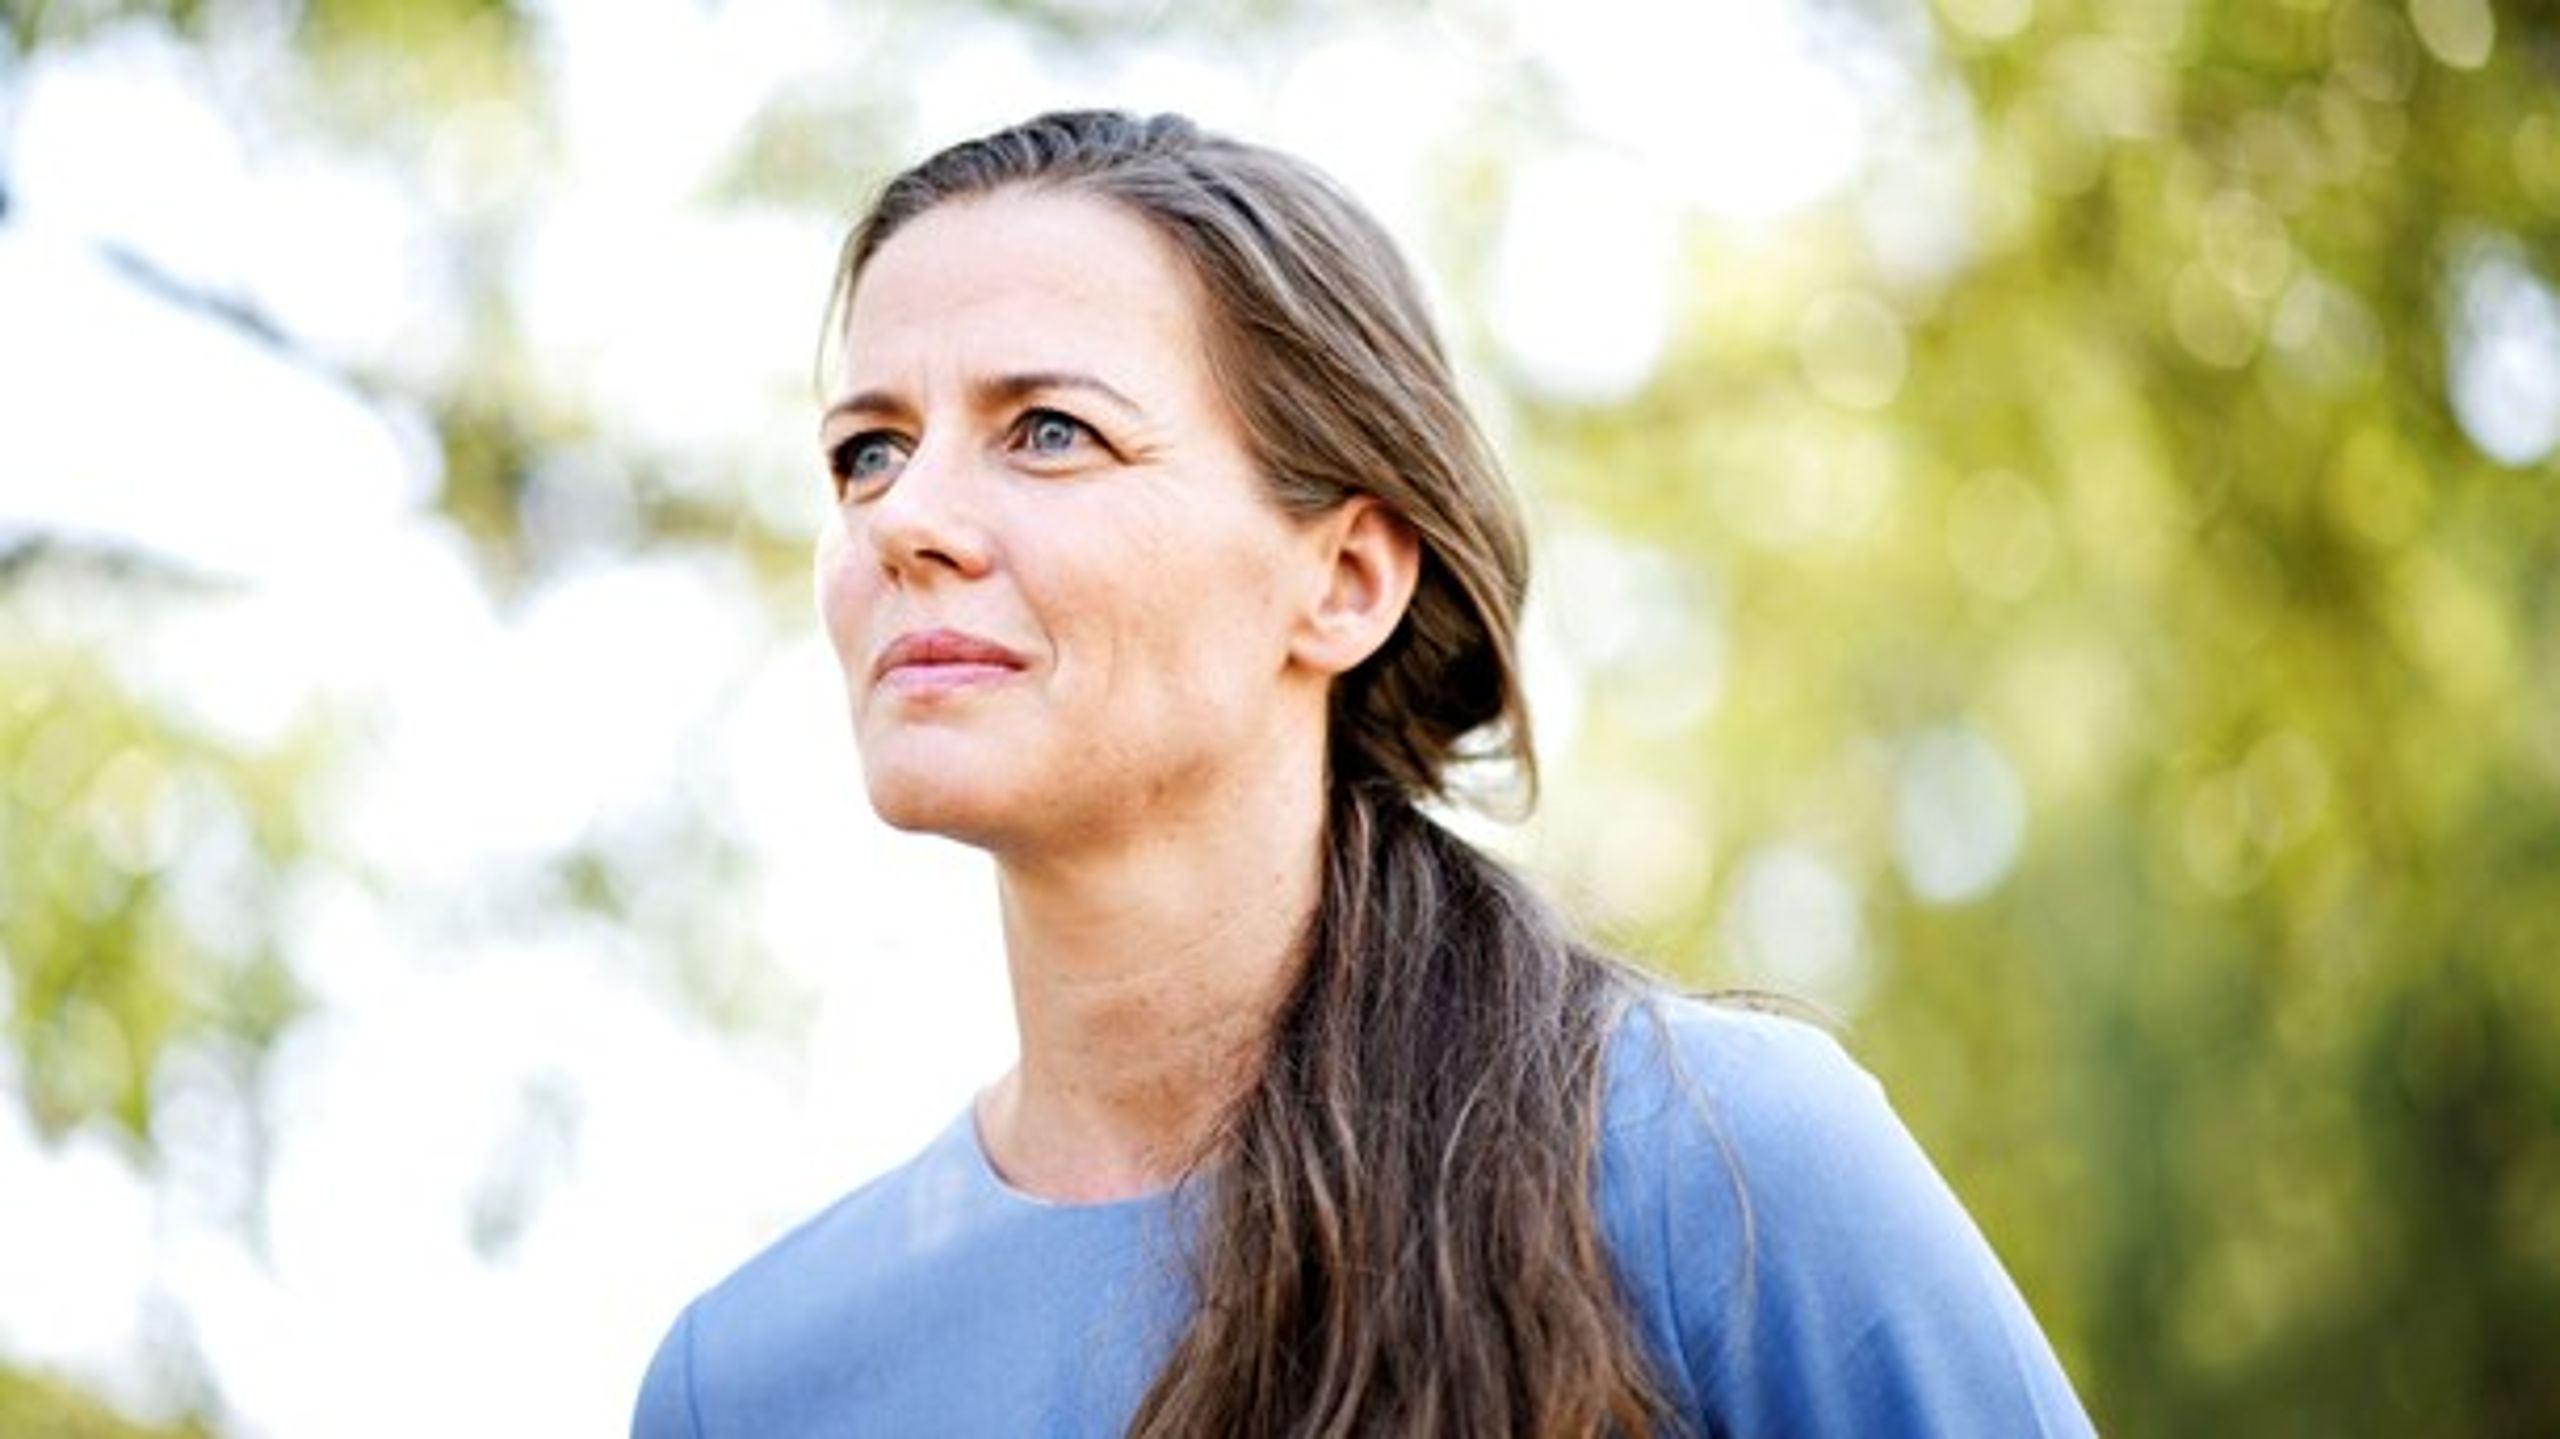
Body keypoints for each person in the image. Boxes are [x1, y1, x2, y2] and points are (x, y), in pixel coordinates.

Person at [632, 109, 2094, 1438]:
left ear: (1344, 580)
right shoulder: (746, 1384)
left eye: (1051, 432)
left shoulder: (1715, 1171)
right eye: (868, 452)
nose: (905, 519)